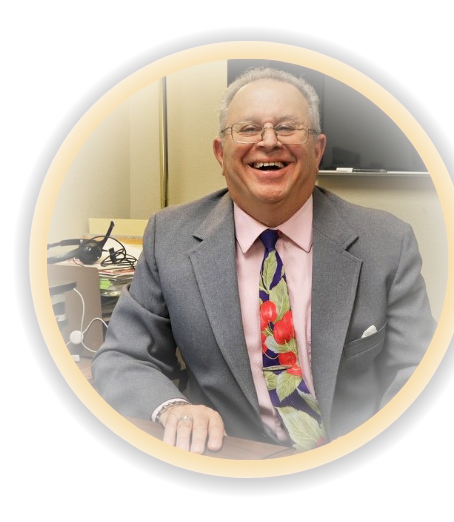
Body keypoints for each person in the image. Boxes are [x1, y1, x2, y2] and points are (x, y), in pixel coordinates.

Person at [92, 67, 436, 455]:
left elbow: (420, 372)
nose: (269, 142)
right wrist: (174, 408)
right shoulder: (168, 238)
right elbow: (124, 356)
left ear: (318, 150)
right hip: (233, 458)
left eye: (288, 127)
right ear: (221, 154)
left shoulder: (387, 242)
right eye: (249, 129)